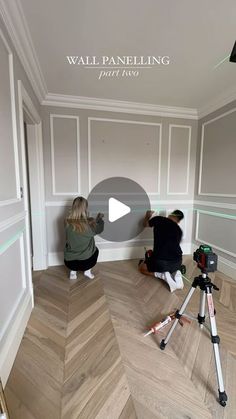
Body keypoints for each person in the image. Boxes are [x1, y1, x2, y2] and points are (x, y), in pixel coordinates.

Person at [139, 209, 185, 292]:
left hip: (161, 262)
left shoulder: (159, 219)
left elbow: (145, 224)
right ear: (178, 221)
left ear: (171, 215)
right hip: (178, 261)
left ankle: (161, 275)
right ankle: (175, 272)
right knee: (167, 263)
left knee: (142, 268)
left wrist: (147, 216)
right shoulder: (179, 231)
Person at [64, 196, 104, 280]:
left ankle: (73, 272)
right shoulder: (90, 223)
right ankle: (87, 271)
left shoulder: (67, 222)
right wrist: (100, 219)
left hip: (69, 262)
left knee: (72, 243)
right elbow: (100, 229)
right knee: (95, 250)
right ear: (85, 208)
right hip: (86, 262)